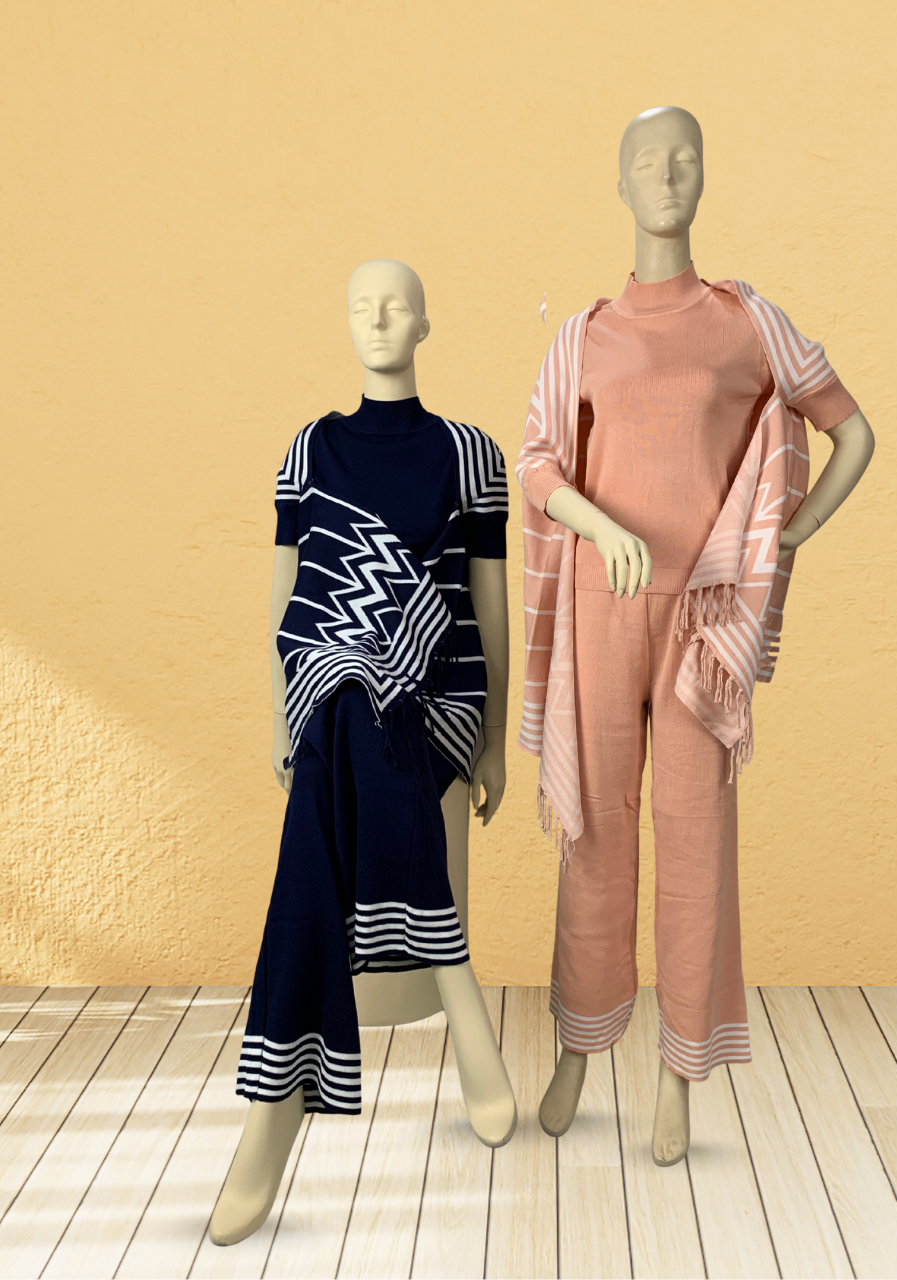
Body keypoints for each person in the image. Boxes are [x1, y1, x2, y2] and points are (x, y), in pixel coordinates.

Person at [517, 107, 875, 1166]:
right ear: (620, 184)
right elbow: (537, 462)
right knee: (594, 836)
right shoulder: (583, 336)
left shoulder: (747, 323)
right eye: (646, 161)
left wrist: (794, 531)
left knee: (693, 840)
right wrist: (599, 527)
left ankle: (679, 1073)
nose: (666, 175)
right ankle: (579, 1051)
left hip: (703, 625)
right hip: (599, 607)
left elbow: (850, 430)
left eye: (685, 159)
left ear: (706, 176)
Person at [210, 259, 516, 1247]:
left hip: (438, 692)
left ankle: (273, 1112)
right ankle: (460, 995)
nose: (378, 318)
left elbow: (487, 603)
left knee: (354, 714)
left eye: (396, 305)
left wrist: (494, 739)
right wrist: (278, 717)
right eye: (360, 305)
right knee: (344, 696)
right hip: (334, 690)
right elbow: (286, 597)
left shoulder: (470, 453)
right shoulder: (309, 449)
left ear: (425, 323)